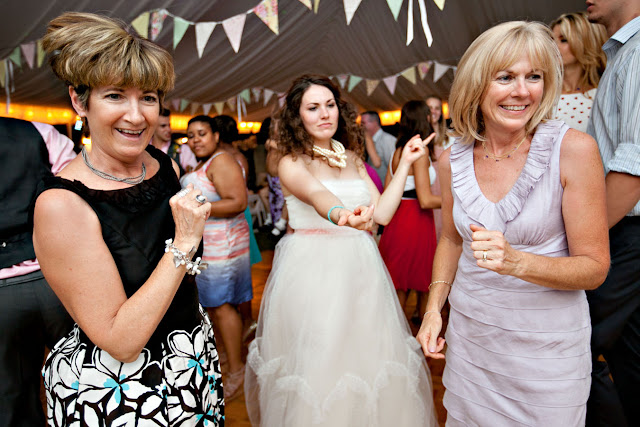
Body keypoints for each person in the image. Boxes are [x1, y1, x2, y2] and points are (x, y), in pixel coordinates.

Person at [34, 13, 223, 425]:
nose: (137, 116)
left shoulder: (161, 164)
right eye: (116, 95)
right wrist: (185, 243)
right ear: (79, 101)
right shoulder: (61, 204)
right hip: (119, 391)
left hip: (190, 361)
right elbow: (121, 341)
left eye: (149, 97)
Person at [416, 21, 610, 425]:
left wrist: (516, 262)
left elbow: (594, 267)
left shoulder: (573, 150)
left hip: (546, 354)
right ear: (476, 85)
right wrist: (434, 309)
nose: (522, 91)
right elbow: (451, 240)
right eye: (505, 77)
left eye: (533, 77)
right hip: (473, 344)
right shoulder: (451, 159)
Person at [245, 75, 438, 427]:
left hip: (360, 265)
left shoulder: (352, 157)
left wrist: (407, 163)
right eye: (313, 107)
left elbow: (381, 214)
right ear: (297, 116)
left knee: (365, 354)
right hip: (311, 267)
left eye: (330, 105)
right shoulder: (291, 162)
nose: (324, 114)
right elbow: (320, 198)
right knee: (321, 355)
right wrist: (343, 215)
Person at [584, 1, 640, 425]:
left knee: (568, 343)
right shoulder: (622, 53)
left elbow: (633, 169)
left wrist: (582, 239)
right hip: (622, 227)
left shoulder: (638, 53)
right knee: (631, 357)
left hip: (626, 229)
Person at [0, 118, 75, 426]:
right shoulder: (38, 131)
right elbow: (76, 189)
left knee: (11, 396)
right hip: (58, 277)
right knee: (84, 377)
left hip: (5, 292)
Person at [181, 115, 251, 402]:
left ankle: (237, 370)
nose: (196, 139)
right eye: (191, 135)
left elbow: (238, 201)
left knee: (222, 307)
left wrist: (194, 206)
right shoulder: (202, 164)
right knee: (213, 306)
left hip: (223, 245)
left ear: (215, 136)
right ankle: (225, 356)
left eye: (202, 133)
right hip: (209, 244)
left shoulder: (221, 161)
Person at [379, 100, 441, 321]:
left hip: (396, 219)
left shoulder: (399, 151)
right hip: (415, 219)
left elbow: (388, 192)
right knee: (420, 281)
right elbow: (425, 200)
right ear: (423, 119)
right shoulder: (419, 152)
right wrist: (455, 201)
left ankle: (391, 342)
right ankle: (420, 345)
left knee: (398, 286)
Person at [551, 11, 607, 133]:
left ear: (586, 44)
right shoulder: (542, 94)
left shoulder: (604, 94)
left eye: (564, 40)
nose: (553, 46)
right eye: (551, 39)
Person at [150, 107, 198, 175]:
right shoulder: (143, 148)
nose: (169, 129)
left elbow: (193, 177)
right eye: (163, 126)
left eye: (169, 125)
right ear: (153, 127)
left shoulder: (184, 150)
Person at [360, 111, 396, 183]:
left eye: (363, 123)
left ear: (374, 123)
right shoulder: (368, 140)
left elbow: (393, 167)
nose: (361, 126)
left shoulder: (387, 139)